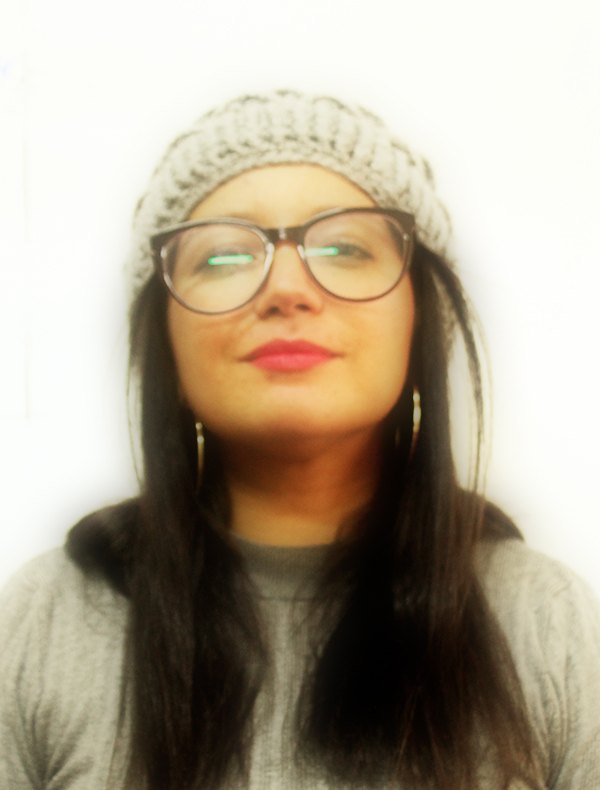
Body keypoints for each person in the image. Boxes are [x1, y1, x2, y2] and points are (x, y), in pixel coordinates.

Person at [1, 89, 599, 790]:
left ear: (419, 323)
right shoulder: (42, 623)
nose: (287, 288)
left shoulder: (547, 622)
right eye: (223, 257)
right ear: (165, 343)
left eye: (346, 247)